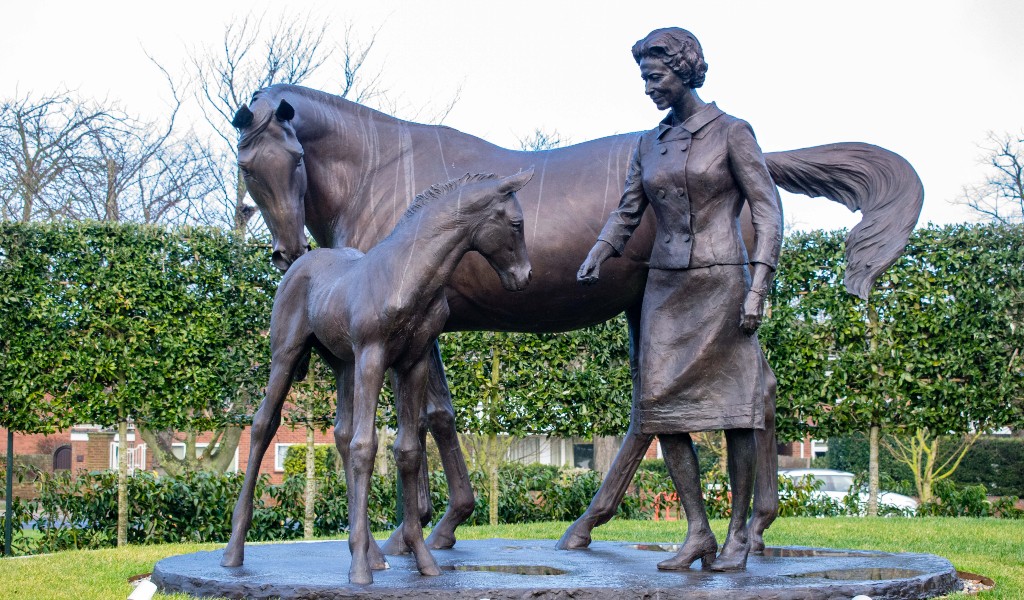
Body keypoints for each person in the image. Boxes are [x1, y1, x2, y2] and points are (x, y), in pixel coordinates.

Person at [576, 27, 782, 572]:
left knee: (737, 412)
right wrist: (601, 249)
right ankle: (698, 531)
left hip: (723, 282)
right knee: (661, 407)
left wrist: (759, 286)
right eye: (644, 79)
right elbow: (629, 209)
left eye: (655, 77)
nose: (648, 88)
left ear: (685, 71)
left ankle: (737, 535)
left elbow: (768, 210)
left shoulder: (732, 132)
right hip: (665, 288)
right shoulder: (649, 144)